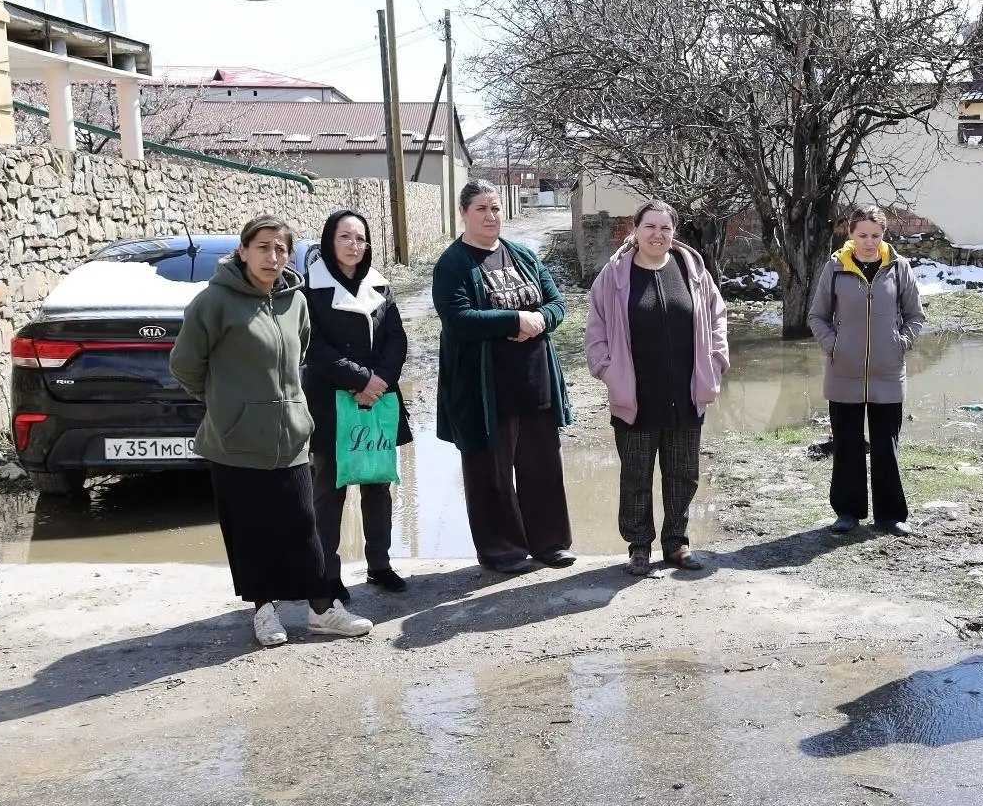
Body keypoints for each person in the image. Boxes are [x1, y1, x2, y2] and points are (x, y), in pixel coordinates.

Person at [170, 215, 372, 647]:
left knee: (304, 525)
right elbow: (185, 365)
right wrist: (228, 406)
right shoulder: (214, 303)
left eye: (281, 249)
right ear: (243, 251)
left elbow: (296, 360)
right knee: (250, 530)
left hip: (292, 436)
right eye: (263, 247)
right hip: (235, 441)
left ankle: (322, 610)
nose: (272, 256)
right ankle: (264, 610)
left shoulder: (294, 302)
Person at [432, 180, 576, 572]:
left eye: (495, 208)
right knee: (489, 474)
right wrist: (513, 319)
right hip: (484, 391)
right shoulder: (453, 264)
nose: (491, 216)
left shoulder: (524, 256)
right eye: (481, 208)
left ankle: (550, 544)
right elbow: (457, 319)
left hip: (535, 384)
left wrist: (539, 319)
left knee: (542, 468)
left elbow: (557, 304)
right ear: (463, 213)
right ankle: (503, 551)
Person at [586, 200, 731, 576]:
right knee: (636, 474)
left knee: (683, 473)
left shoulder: (691, 270)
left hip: (686, 394)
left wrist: (715, 362)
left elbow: (717, 317)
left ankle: (676, 543)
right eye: (650, 227)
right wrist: (608, 370)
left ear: (674, 233)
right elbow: (596, 330)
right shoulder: (615, 275)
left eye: (665, 228)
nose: (657, 235)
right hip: (635, 396)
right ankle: (638, 546)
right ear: (634, 230)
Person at [303, 208, 412, 596]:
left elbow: (396, 337)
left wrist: (380, 381)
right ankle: (327, 574)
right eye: (345, 237)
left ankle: (379, 564)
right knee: (330, 488)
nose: (354, 245)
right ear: (329, 242)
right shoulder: (309, 290)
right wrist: (360, 379)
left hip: (377, 400)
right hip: (333, 400)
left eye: (360, 238)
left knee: (378, 483)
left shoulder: (381, 286)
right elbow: (312, 346)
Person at [807, 207, 924, 536]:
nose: (869, 242)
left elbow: (915, 315)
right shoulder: (836, 267)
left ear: (883, 235)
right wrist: (834, 346)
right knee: (847, 444)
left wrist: (900, 344)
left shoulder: (899, 268)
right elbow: (817, 316)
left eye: (875, 235)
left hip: (888, 374)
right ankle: (847, 512)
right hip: (843, 372)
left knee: (887, 446)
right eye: (862, 235)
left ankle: (890, 515)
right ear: (850, 234)